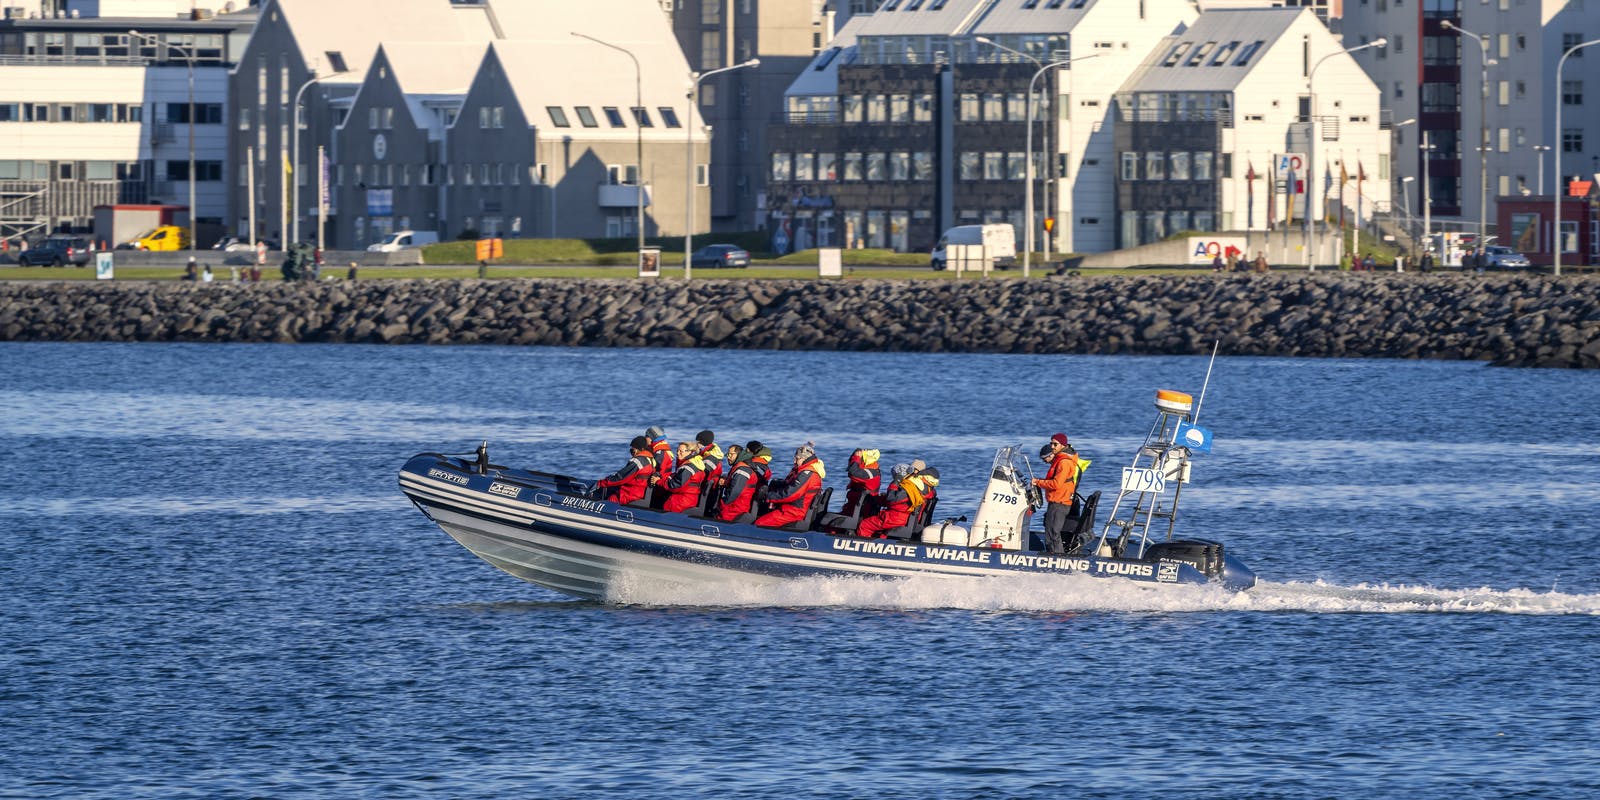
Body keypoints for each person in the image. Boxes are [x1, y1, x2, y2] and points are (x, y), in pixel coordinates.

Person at [1032, 433, 1082, 554]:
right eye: (1051, 443)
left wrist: (1038, 482)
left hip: (1059, 502)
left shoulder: (1064, 462)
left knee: (1052, 534)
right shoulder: (1060, 459)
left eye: (1055, 444)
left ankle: (1057, 560)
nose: (1052, 446)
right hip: (1059, 500)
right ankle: (1056, 557)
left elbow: (1056, 484)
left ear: (1063, 445)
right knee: (1052, 532)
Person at [858, 466, 940, 539]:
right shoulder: (930, 491)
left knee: (865, 525)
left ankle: (861, 549)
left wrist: (895, 482)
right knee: (881, 530)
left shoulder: (911, 488)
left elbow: (891, 498)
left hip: (897, 518)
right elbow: (901, 501)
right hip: (910, 518)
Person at [755, 442, 825, 528]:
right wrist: (776, 484)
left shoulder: (807, 474)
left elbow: (791, 494)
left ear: (805, 459)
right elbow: (791, 485)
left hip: (794, 511)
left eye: (797, 459)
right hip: (793, 508)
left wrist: (768, 497)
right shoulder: (804, 471)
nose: (794, 461)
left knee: (760, 523)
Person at [595, 436, 655, 506]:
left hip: (629, 494)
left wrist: (601, 483)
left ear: (640, 449)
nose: (632, 453)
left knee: (611, 499)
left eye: (633, 450)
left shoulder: (637, 462)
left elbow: (620, 477)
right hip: (640, 493)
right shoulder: (650, 460)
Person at [717, 445, 765, 522]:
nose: (728, 457)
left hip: (736, 508)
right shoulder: (740, 467)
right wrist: (726, 481)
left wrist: (722, 503)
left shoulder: (742, 471)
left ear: (739, 455)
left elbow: (735, 492)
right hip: (737, 505)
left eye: (731, 454)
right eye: (728, 455)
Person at [656, 441, 707, 513]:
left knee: (664, 504)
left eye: (681, 451)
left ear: (691, 452)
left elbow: (675, 486)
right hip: (691, 498)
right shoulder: (696, 463)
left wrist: (658, 481)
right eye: (677, 450)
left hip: (682, 501)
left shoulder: (687, 468)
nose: (677, 453)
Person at [841, 448, 881, 518]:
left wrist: (856, 458)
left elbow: (853, 472)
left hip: (862, 512)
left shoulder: (869, 473)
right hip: (855, 508)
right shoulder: (869, 471)